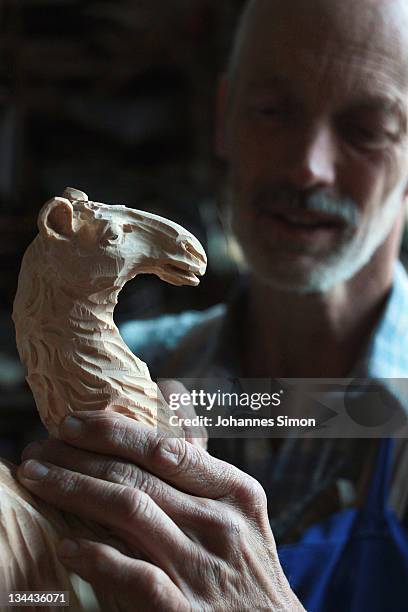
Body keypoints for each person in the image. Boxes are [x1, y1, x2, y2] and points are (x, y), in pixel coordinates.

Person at [16, 0, 408, 609]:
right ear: (224, 116)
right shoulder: (114, 378)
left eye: (366, 130)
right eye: (273, 111)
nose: (309, 167)